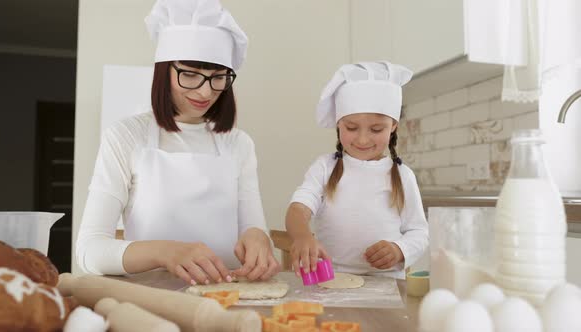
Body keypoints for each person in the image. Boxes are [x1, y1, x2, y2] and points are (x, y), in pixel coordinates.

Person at [76, 0, 279, 285]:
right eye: (190, 74)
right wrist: (166, 252)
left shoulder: (238, 144)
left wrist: (258, 237)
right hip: (150, 302)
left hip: (226, 301)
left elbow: (253, 229)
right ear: (164, 72)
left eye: (218, 77)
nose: (206, 91)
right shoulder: (125, 137)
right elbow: (89, 251)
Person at [285, 62, 429, 279]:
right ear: (338, 125)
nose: (362, 139)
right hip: (331, 281)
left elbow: (419, 232)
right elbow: (298, 209)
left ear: (393, 127)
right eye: (351, 128)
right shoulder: (325, 168)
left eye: (376, 129)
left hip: (387, 284)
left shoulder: (402, 175)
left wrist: (400, 250)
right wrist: (302, 236)